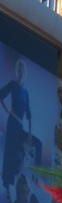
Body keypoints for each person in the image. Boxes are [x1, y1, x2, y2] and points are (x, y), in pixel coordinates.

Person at [1, 59, 31, 194]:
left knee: (19, 154)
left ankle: (14, 183)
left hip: (20, 126)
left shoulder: (26, 92)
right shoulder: (13, 85)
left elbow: (29, 114)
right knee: (9, 152)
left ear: (25, 72)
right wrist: (8, 110)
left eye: (22, 70)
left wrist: (30, 132)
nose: (20, 72)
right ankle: (6, 184)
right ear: (16, 71)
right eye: (18, 69)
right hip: (12, 123)